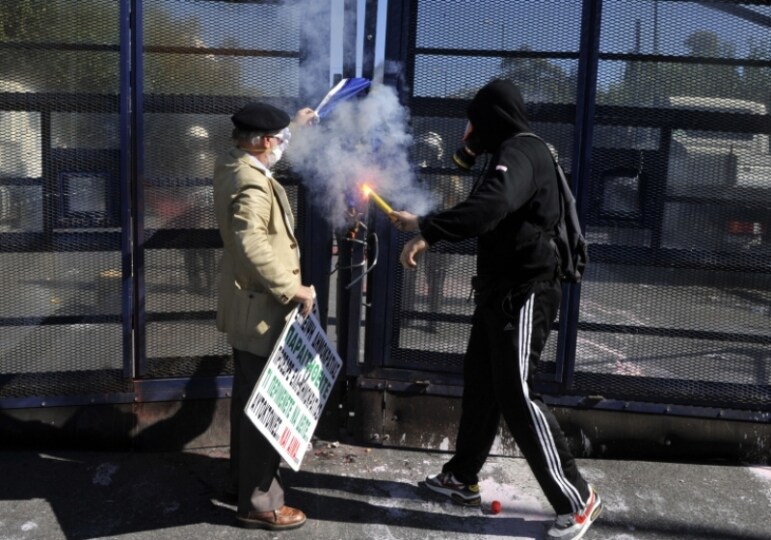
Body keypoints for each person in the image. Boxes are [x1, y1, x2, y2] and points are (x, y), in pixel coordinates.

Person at [390, 79, 602, 540]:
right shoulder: (513, 150)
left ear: (493, 118)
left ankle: (576, 497)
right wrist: (428, 226)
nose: (469, 131)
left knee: (515, 391)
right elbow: (487, 208)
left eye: (474, 120)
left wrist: (428, 228)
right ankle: (462, 477)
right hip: (500, 290)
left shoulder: (522, 151)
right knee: (484, 384)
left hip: (526, 291)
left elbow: (492, 205)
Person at [213, 101, 317, 531]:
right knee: (265, 411)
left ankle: (241, 484)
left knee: (248, 403)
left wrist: (294, 126)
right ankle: (260, 503)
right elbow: (250, 242)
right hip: (263, 309)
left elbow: (267, 159)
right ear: (263, 143)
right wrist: (291, 287)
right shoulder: (252, 184)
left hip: (246, 307)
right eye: (277, 140)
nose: (281, 147)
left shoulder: (235, 164)